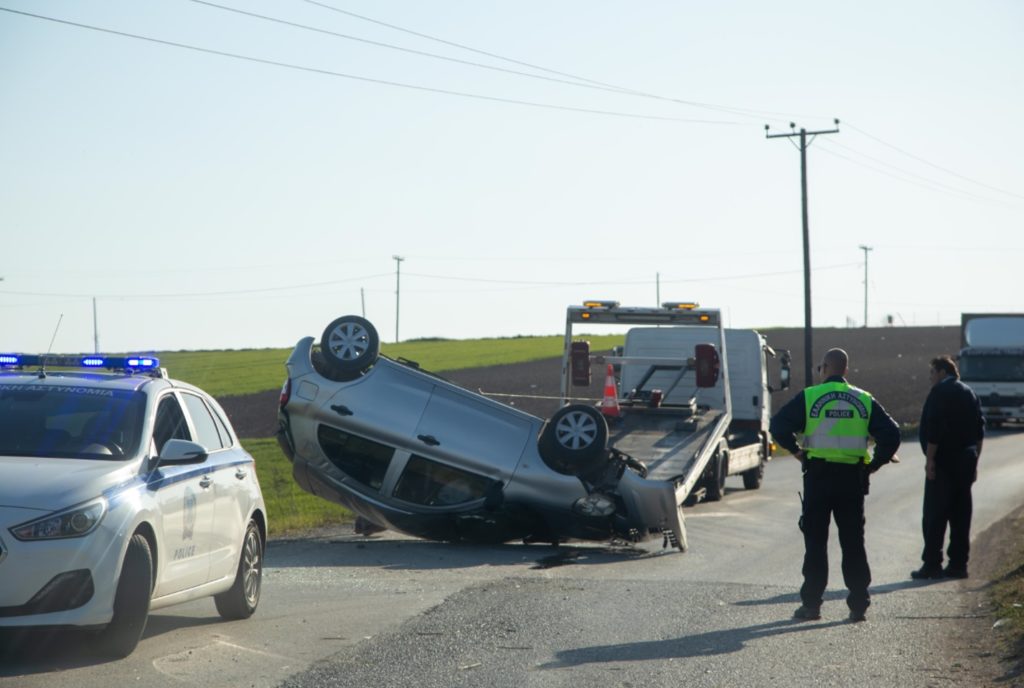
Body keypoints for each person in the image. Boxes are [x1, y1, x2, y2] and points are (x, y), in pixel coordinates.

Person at [770, 347, 901, 623]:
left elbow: (778, 425)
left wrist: (796, 451)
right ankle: (858, 605)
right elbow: (891, 434)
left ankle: (812, 605)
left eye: (821, 368)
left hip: (818, 477)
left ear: (825, 368)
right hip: (852, 479)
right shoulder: (863, 399)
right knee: (853, 542)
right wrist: (873, 464)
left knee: (815, 543)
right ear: (846, 370)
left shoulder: (810, 397)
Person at [911, 355, 985, 580]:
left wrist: (930, 460)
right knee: (961, 514)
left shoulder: (939, 393)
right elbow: (979, 430)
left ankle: (932, 564)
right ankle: (958, 564)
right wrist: (975, 461)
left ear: (943, 372)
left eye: (932, 373)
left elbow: (934, 428)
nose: (930, 378)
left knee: (935, 514)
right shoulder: (969, 392)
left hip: (943, 460)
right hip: (966, 459)